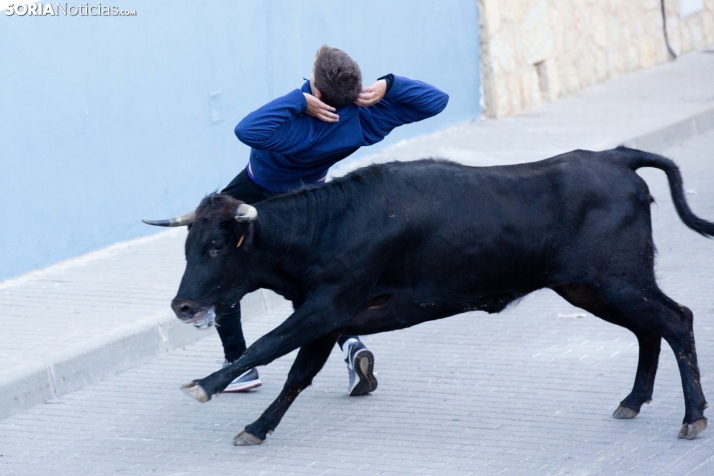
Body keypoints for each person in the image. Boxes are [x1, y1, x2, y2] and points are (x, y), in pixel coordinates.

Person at [216, 45, 449, 396]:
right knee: (313, 284)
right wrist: (390, 85)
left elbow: (246, 130)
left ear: (318, 91)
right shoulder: (364, 121)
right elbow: (437, 101)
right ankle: (351, 345)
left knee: (219, 267)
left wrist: (299, 101)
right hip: (312, 206)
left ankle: (238, 365)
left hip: (257, 193)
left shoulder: (294, 125)